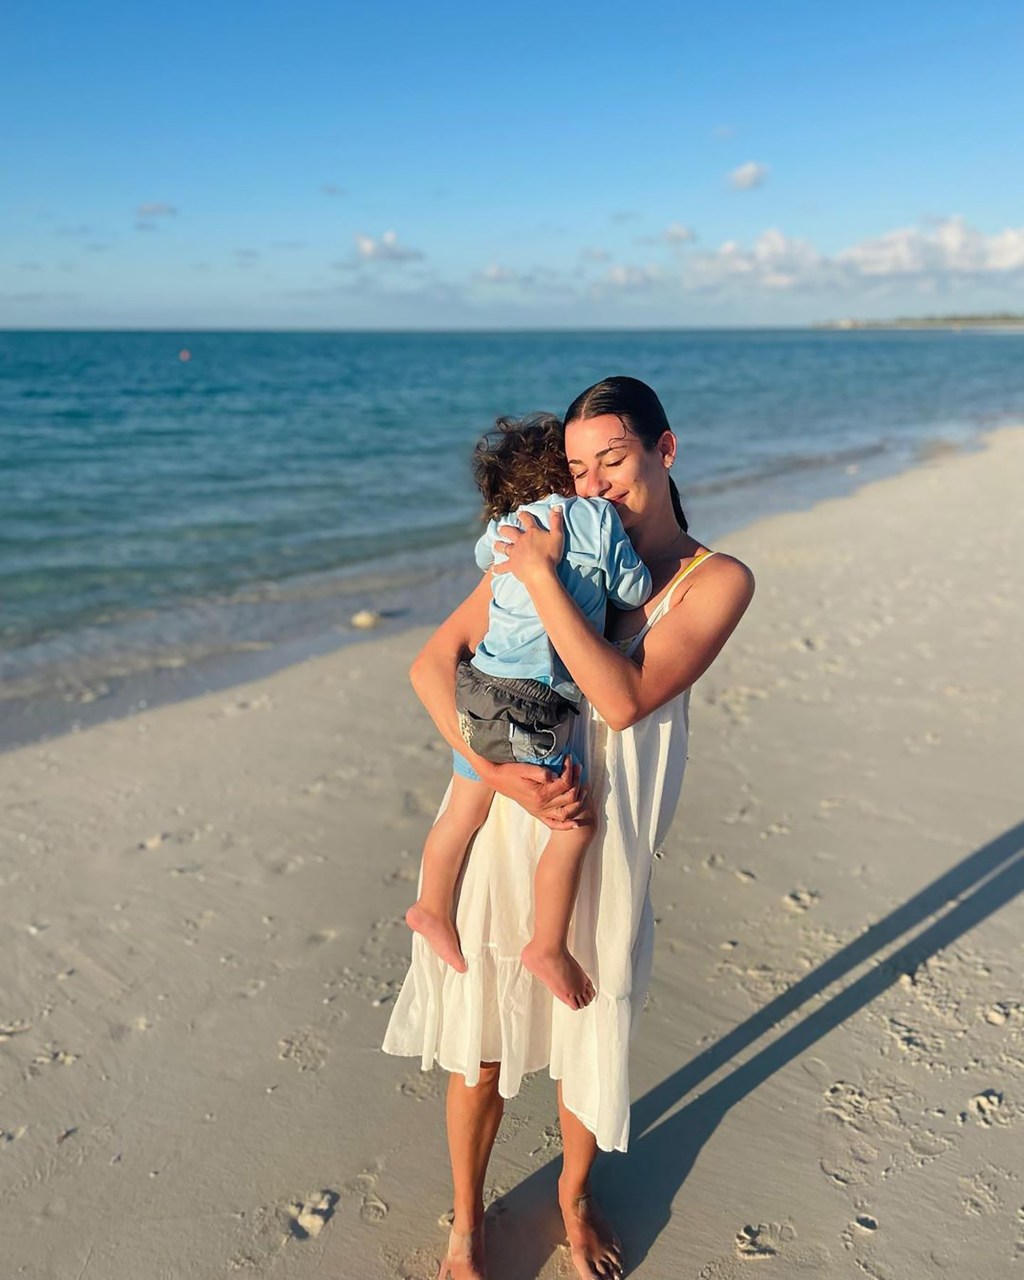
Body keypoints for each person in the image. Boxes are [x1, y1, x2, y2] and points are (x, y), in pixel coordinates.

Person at [383, 376, 755, 1280]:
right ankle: (467, 1227)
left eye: (615, 461)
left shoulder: (715, 581)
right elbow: (434, 666)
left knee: (590, 1033)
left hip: (603, 836)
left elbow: (620, 701)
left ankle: (573, 1201)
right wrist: (498, 778)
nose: (595, 486)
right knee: (479, 1043)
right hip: (506, 816)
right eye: (579, 468)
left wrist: (544, 576)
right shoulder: (548, 544)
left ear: (664, 451)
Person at [405, 412, 652, 1010]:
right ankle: (546, 944)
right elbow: (631, 592)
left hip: (480, 685)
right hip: (533, 701)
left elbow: (484, 557)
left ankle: (430, 906)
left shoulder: (507, 530)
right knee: (574, 825)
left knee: (462, 811)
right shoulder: (589, 516)